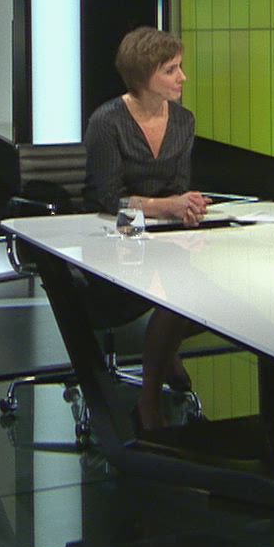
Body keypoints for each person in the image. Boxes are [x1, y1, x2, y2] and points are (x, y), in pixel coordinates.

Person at [83, 26, 210, 433]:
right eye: (171, 70)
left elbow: (179, 186)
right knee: (173, 294)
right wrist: (165, 206)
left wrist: (187, 206)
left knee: (214, 284)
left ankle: (164, 349)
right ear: (144, 76)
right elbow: (108, 198)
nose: (182, 77)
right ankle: (149, 400)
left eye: (180, 67)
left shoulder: (183, 121)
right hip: (113, 231)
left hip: (162, 232)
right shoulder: (107, 121)